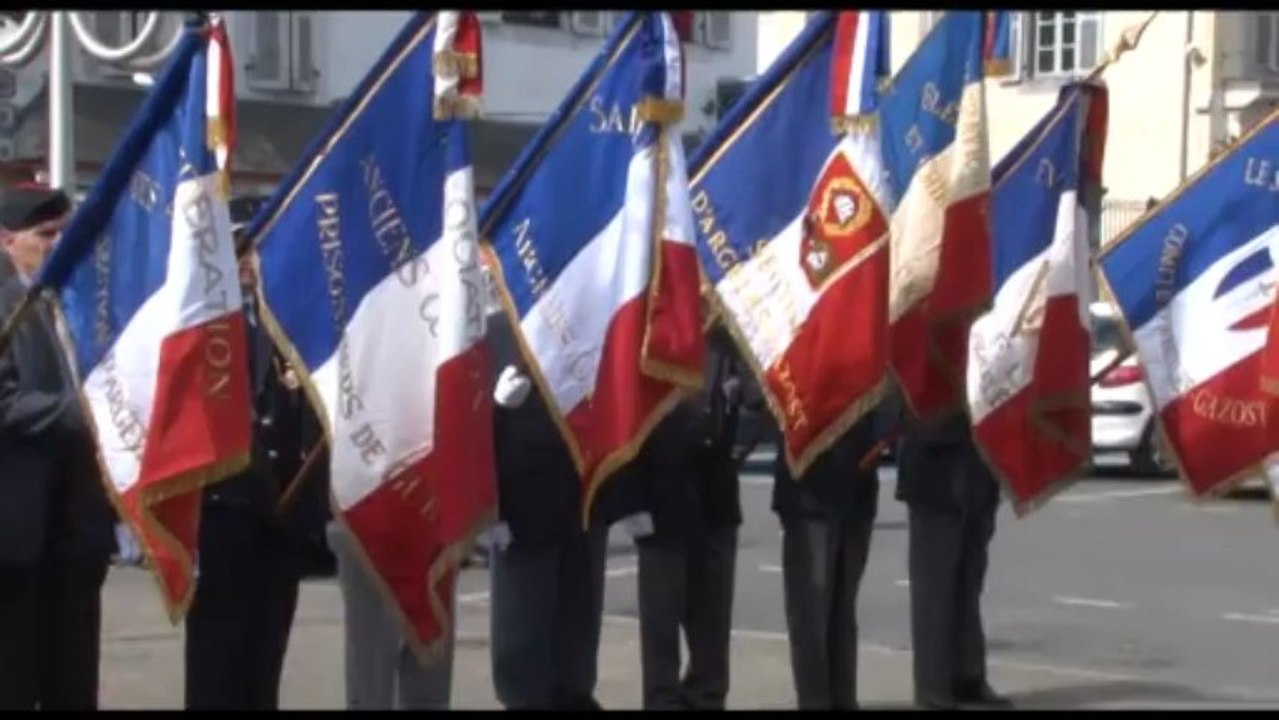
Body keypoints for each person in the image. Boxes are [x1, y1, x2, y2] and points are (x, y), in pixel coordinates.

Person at [184, 194, 333, 710]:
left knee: (265, 659)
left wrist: (307, 507)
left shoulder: (293, 321)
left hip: (284, 514)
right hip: (223, 512)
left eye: (259, 250)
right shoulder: (201, 323)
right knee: (217, 660)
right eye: (241, 249)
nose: (250, 263)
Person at [0, 182, 116, 709]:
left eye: (65, 231)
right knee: (17, 679)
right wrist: (84, 415)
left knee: (74, 681)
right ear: (7, 240)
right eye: (44, 234)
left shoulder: (85, 304)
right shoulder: (7, 308)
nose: (58, 243)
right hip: (18, 536)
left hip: (79, 531)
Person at [629, 324, 764, 710]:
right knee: (662, 616)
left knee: (712, 615)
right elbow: (627, 413)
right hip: (662, 497)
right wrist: (630, 499)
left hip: (717, 494)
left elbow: (759, 399)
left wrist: (736, 449)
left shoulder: (727, 336)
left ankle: (707, 695)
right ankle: (663, 699)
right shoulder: (651, 332)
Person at [485, 306, 611, 710]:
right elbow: (461, 420)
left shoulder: (586, 314)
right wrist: (495, 405)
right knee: (521, 649)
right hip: (521, 512)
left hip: (581, 504)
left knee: (575, 645)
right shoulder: (495, 331)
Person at [892, 387, 1013, 710]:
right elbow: (903, 386)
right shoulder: (918, 336)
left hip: (978, 465)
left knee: (969, 582)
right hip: (934, 463)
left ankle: (968, 676)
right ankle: (933, 687)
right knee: (935, 589)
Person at [771, 411, 881, 710]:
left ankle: (844, 699)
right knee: (811, 613)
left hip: (858, 485)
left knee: (843, 610)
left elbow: (888, 389)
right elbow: (763, 394)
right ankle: (815, 701)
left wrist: (883, 434)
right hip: (810, 488)